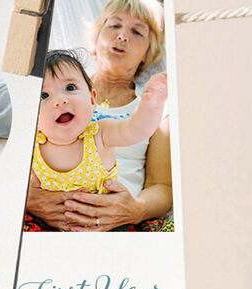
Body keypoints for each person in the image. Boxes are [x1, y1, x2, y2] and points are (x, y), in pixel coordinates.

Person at [24, 0, 174, 231]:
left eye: (137, 32)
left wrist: (135, 209)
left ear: (147, 52)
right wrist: (30, 199)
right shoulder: (46, 99)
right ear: (96, 38)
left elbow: (162, 186)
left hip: (121, 221)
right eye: (114, 25)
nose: (122, 36)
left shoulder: (155, 107)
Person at [31, 50, 168, 195]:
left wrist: (150, 104)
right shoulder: (31, 144)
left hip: (103, 216)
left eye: (70, 88)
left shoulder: (100, 134)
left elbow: (136, 129)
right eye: (43, 95)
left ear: (92, 99)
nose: (59, 100)